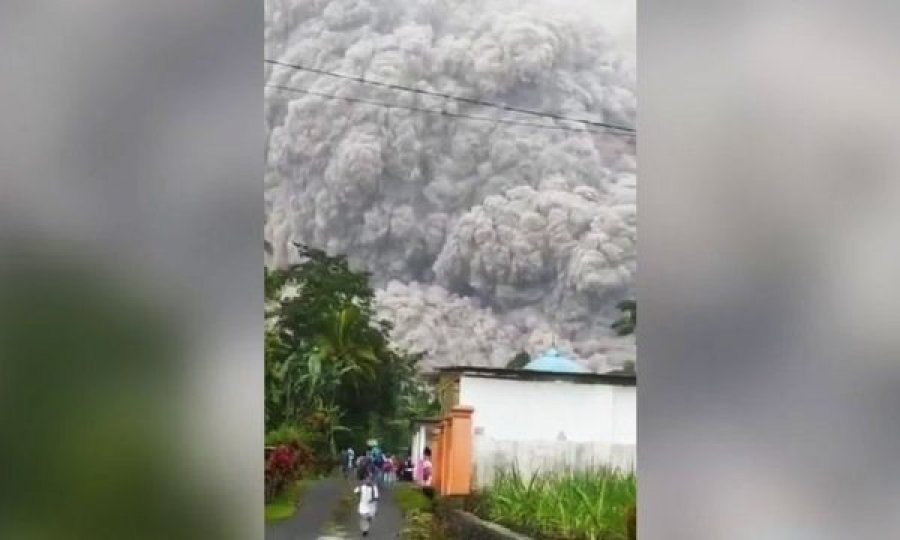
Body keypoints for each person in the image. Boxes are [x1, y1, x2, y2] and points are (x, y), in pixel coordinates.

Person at [354, 469, 379, 537]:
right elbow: (356, 491)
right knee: (363, 517)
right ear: (364, 480)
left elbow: (376, 497)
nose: (368, 481)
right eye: (366, 479)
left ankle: (367, 527)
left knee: (369, 518)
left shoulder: (374, 487)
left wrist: (374, 503)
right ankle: (364, 530)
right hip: (363, 504)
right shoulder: (362, 487)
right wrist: (357, 493)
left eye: (369, 479)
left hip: (371, 505)